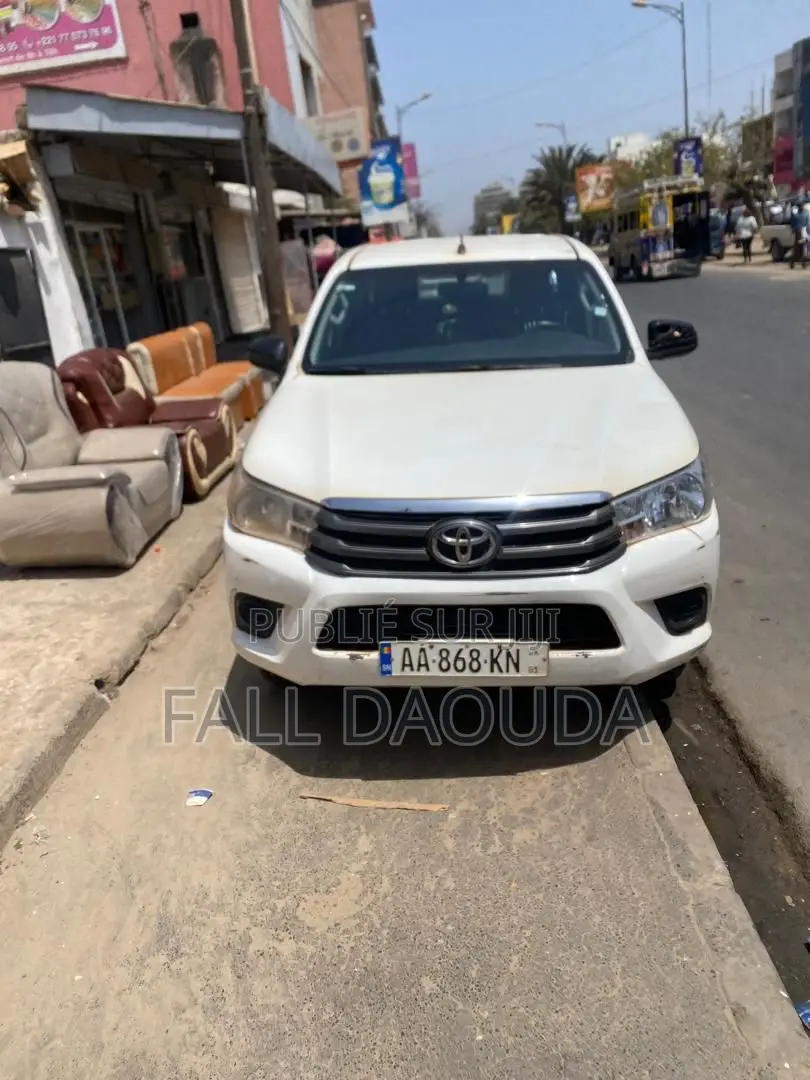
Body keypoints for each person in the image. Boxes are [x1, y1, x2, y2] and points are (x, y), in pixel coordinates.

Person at [789, 202, 809, 270]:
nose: (801, 207)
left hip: (802, 232)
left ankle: (797, 263)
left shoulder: (797, 215)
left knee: (801, 249)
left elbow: (793, 225)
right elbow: (793, 225)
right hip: (800, 232)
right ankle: (800, 264)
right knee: (801, 248)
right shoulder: (799, 215)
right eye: (801, 206)